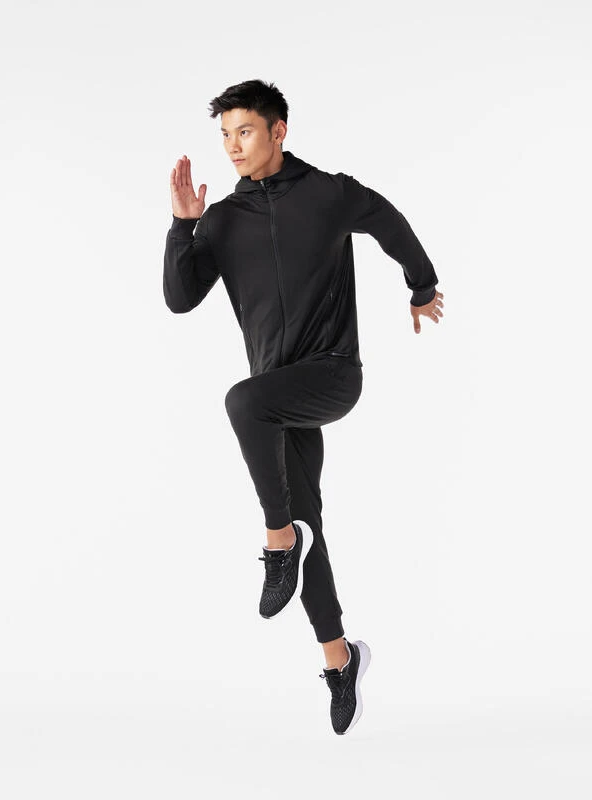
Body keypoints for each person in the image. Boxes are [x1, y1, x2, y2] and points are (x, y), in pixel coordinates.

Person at [163, 79, 444, 735]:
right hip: (277, 399)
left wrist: (421, 286)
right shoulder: (222, 220)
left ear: (279, 131)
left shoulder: (327, 193)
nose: (234, 147)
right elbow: (180, 298)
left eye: (245, 131)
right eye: (225, 135)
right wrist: (182, 225)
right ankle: (339, 659)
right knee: (306, 514)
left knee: (241, 403)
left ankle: (277, 540)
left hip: (331, 374)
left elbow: (390, 223)